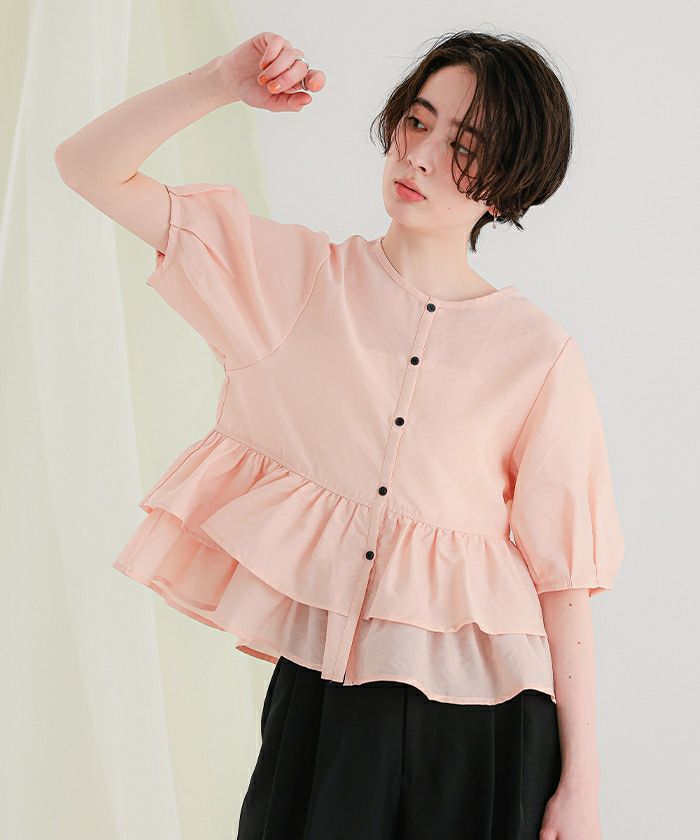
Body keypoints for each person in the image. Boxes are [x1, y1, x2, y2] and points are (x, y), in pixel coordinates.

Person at [55, 29, 624, 840]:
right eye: (417, 121)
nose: (418, 154)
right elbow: (87, 166)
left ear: (506, 189)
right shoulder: (291, 282)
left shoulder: (538, 356)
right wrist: (219, 81)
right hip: (326, 695)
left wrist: (583, 785)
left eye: (462, 146)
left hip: (492, 722)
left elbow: (563, 582)